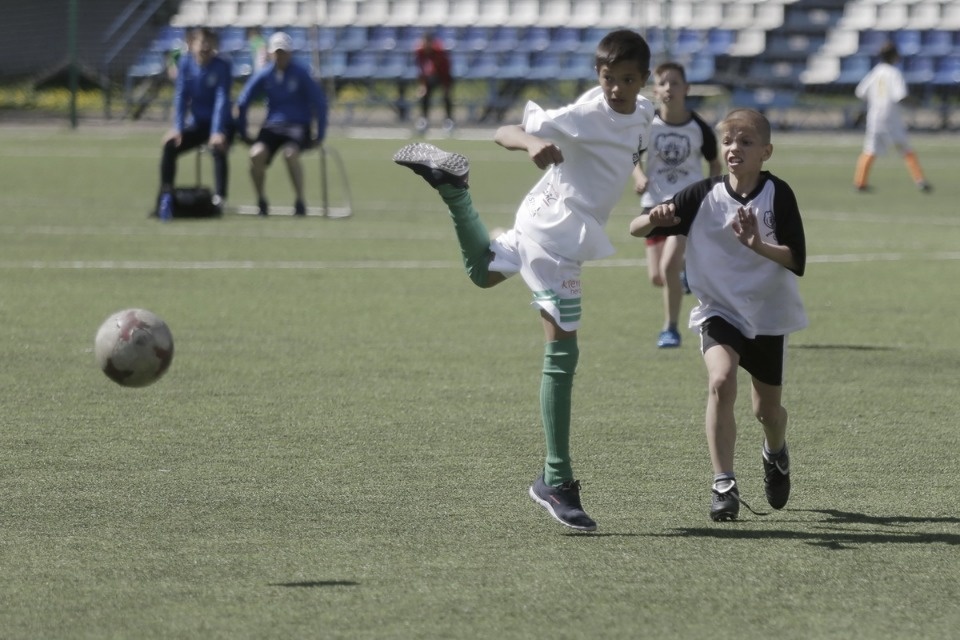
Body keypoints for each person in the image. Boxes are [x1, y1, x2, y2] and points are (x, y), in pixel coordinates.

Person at [393, 29, 654, 532]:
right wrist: (533, 142)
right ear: (597, 77)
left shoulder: (643, 111)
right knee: (562, 353)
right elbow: (505, 131)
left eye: (627, 80)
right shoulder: (584, 114)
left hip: (542, 219)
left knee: (483, 272)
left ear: (641, 80)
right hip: (556, 236)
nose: (616, 89)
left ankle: (454, 192)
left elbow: (631, 140)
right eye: (608, 79)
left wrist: (638, 173)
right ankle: (555, 479)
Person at [629, 108, 807, 522]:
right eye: (728, 141)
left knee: (767, 412)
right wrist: (653, 218)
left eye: (745, 142)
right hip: (718, 310)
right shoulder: (702, 194)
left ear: (766, 151)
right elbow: (636, 228)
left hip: (767, 313)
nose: (733, 148)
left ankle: (775, 451)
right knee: (721, 380)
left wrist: (757, 243)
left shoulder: (778, 194)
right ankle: (723, 482)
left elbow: (797, 259)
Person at [636, 62, 721, 349]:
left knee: (668, 264)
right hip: (652, 205)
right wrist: (639, 176)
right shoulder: (648, 125)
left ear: (686, 89)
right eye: (663, 83)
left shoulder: (698, 127)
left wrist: (711, 193)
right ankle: (684, 272)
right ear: (655, 90)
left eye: (675, 83)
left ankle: (670, 329)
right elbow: (631, 156)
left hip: (687, 203)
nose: (669, 88)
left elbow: (714, 160)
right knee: (657, 277)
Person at [235, 31, 328, 216]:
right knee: (256, 155)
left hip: (297, 126)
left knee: (290, 153)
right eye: (277, 52)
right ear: (270, 54)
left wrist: (320, 134)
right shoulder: (265, 74)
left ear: (290, 53)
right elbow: (243, 100)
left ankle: (300, 201)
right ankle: (261, 200)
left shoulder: (301, 73)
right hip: (273, 126)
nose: (280, 56)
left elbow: (320, 102)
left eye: (284, 52)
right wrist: (242, 131)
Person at [156, 27, 233, 220]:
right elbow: (181, 97)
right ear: (191, 45)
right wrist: (178, 128)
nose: (205, 46)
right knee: (170, 146)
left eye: (209, 42)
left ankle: (219, 198)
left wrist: (217, 132)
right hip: (197, 124)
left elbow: (221, 99)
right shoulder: (185, 64)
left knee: (218, 147)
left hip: (221, 124)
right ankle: (167, 194)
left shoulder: (222, 66)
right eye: (201, 42)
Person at [853, 41, 931, 193]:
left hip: (875, 118)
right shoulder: (894, 73)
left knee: (869, 150)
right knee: (906, 149)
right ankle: (920, 180)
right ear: (894, 56)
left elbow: (860, 92)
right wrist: (917, 102)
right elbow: (900, 96)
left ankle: (859, 182)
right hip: (891, 119)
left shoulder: (875, 72)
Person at [413, 31, 455, 133]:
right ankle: (423, 120)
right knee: (424, 95)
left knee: (446, 96)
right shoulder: (419, 51)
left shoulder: (440, 51)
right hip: (429, 78)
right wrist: (422, 85)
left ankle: (448, 121)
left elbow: (446, 69)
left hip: (443, 76)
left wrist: (446, 86)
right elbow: (421, 69)